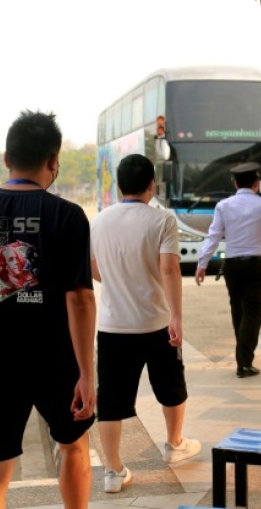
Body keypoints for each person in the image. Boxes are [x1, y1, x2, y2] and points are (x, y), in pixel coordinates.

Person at [0, 110, 96, 509]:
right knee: (74, 448)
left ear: (7, 158)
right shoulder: (68, 215)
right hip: (57, 362)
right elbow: (80, 299)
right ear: (53, 161)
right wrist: (87, 373)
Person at [90, 154, 201, 494]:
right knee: (170, 384)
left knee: (111, 399)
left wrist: (116, 280)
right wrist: (177, 316)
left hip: (113, 327)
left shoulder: (98, 221)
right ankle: (174, 444)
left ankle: (113, 470)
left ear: (118, 185)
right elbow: (169, 269)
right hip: (156, 322)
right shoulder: (162, 219)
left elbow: (92, 268)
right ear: (152, 185)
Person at [196, 162, 261, 378]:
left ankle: (243, 359)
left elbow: (213, 236)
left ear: (235, 183)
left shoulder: (223, 206)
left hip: (232, 266)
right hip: (255, 265)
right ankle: (244, 362)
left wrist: (202, 264)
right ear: (256, 183)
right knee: (253, 313)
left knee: (238, 310)